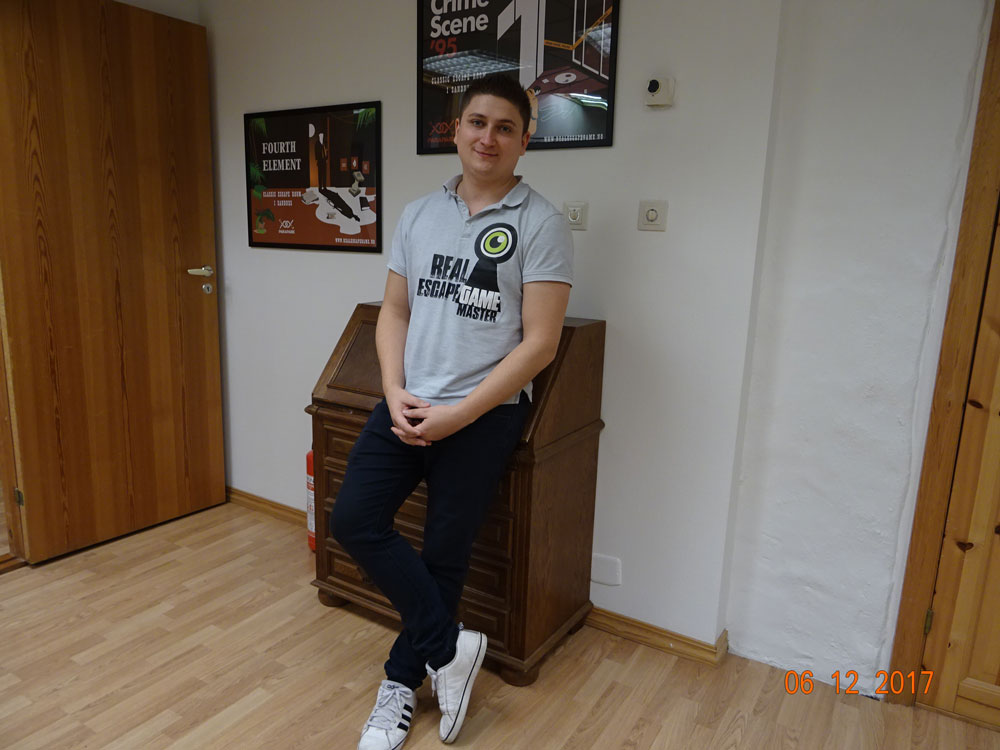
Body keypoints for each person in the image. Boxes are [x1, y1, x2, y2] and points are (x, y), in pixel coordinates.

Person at [331, 73, 573, 750]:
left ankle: (398, 686)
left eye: (504, 127)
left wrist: (460, 415)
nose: (487, 137)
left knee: (445, 552)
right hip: (408, 402)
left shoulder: (542, 224)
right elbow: (395, 311)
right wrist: (392, 388)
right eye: (476, 122)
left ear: (524, 140)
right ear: (456, 129)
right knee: (354, 519)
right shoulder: (418, 214)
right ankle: (450, 647)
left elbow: (541, 343)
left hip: (484, 417)